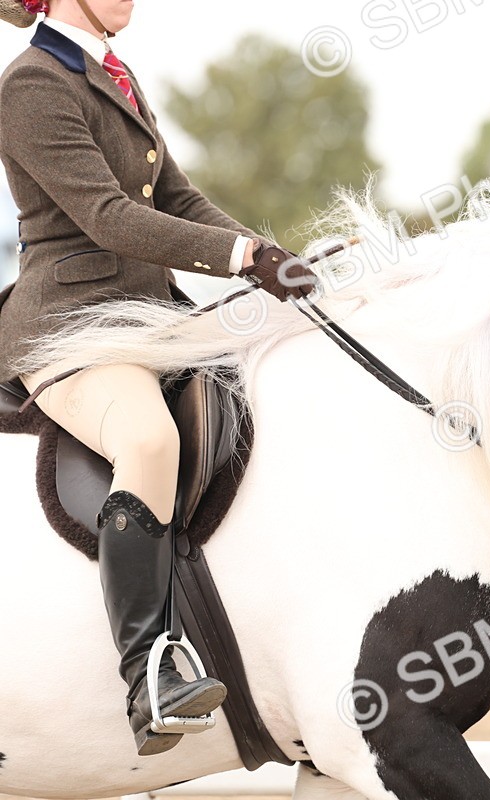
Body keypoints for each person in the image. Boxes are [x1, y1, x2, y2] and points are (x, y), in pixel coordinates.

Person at [0, 0, 317, 756]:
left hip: (148, 315)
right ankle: (149, 674)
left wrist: (271, 255)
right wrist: (238, 261)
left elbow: (176, 199)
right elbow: (108, 216)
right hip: (71, 326)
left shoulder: (111, 71)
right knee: (146, 439)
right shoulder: (31, 86)